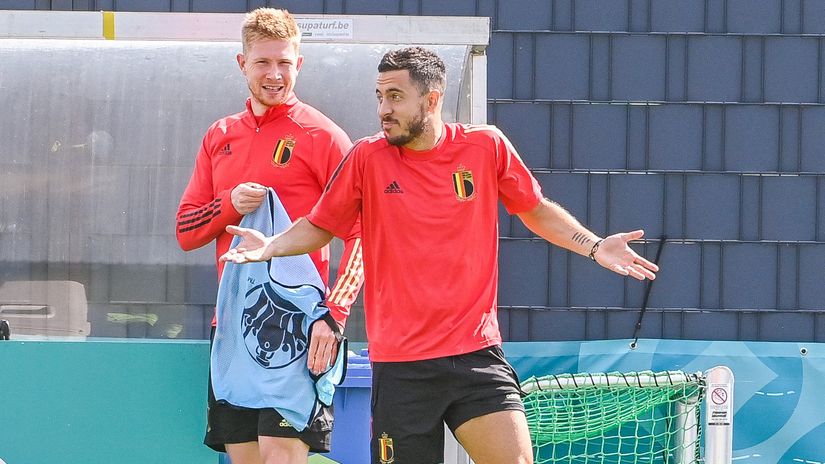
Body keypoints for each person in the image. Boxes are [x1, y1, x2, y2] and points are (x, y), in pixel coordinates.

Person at [220, 46, 659, 464]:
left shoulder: (486, 146)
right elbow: (321, 225)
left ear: (431, 98)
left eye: (395, 96)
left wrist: (595, 245)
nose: (383, 109)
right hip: (401, 366)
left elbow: (536, 210)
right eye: (379, 96)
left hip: (475, 353)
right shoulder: (366, 158)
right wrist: (273, 247)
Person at [175, 8, 363, 464]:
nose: (274, 74)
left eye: (284, 62)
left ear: (300, 64)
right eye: (262, 63)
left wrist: (333, 315)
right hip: (233, 327)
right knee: (245, 458)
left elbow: (363, 236)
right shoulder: (219, 135)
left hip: (300, 324)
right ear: (242, 64)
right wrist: (228, 206)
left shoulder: (324, 135)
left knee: (282, 456)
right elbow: (185, 232)